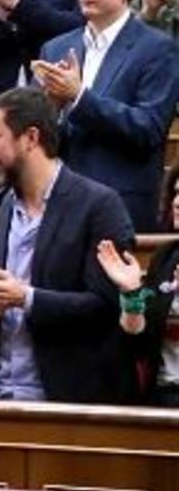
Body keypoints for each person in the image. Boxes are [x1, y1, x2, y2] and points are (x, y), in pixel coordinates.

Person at [0, 88, 136, 403]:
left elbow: (105, 306)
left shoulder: (99, 205)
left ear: (30, 138)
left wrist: (26, 298)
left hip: (69, 399)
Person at [32, 0, 179, 230]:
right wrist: (51, 108)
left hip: (122, 207)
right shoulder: (56, 48)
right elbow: (38, 139)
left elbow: (148, 128)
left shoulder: (157, 48)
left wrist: (80, 97)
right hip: (60, 204)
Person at [99, 172, 179, 405]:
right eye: (175, 193)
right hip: (165, 396)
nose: (176, 202)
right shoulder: (166, 258)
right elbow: (140, 344)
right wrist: (131, 295)